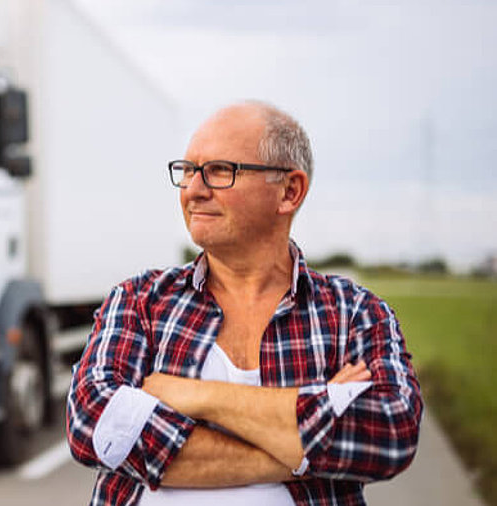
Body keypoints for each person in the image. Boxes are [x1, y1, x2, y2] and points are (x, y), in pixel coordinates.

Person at [66, 101, 423, 506]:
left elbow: (392, 433)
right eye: (187, 171)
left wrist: (195, 396)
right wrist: (308, 427)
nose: (194, 191)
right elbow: (95, 427)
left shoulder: (354, 313)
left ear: (289, 191)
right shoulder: (139, 301)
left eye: (220, 170)